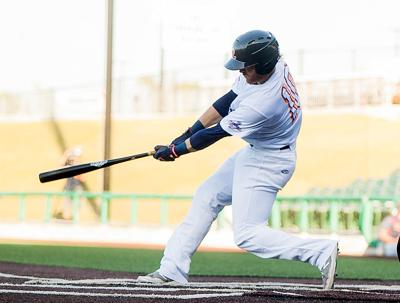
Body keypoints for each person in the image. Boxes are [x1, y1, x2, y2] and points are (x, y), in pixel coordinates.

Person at [137, 30, 339, 289]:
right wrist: (186, 133)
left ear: (262, 65)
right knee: (207, 196)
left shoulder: (263, 103)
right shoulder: (271, 67)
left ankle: (320, 252)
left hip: (270, 162)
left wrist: (176, 150)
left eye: (246, 69)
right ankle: (171, 269)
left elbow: (214, 133)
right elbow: (225, 102)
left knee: (248, 235)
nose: (241, 73)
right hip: (258, 151)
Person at [54, 146, 84, 220]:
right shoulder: (69, 165)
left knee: (76, 207)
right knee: (67, 207)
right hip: (68, 187)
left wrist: (77, 162)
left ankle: (74, 221)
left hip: (77, 187)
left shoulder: (80, 165)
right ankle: (67, 219)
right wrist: (66, 155)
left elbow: (81, 178)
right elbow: (60, 167)